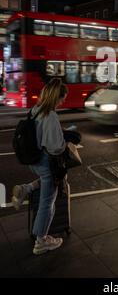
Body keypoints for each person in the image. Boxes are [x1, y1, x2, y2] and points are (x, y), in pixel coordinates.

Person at [12, 78, 68, 255]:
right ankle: (41, 242)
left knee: (47, 180)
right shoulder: (50, 115)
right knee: (47, 204)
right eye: (62, 98)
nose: (63, 102)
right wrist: (65, 142)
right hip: (45, 161)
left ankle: (25, 188)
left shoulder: (35, 110)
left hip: (33, 161)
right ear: (56, 97)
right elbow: (55, 147)